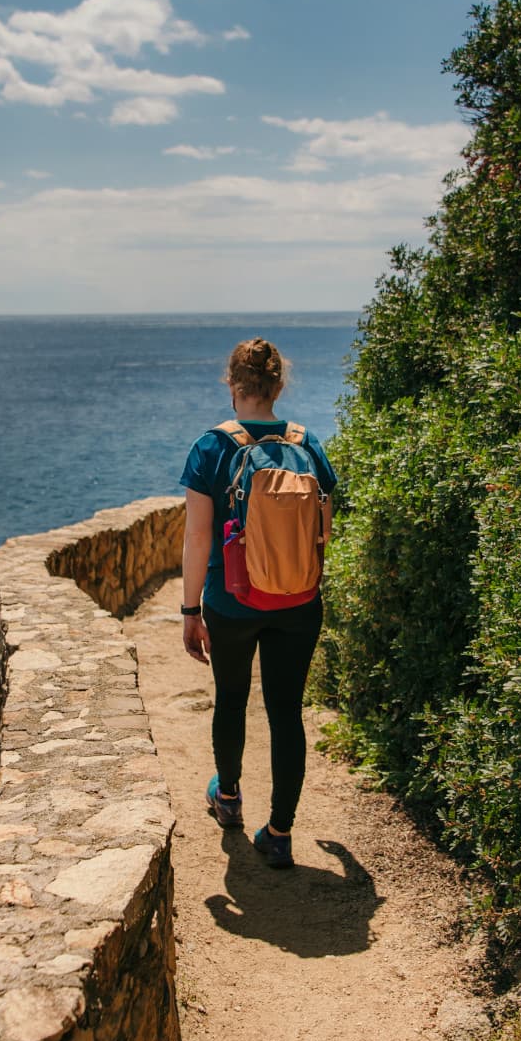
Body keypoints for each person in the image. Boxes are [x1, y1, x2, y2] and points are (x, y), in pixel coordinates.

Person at [178, 338, 337, 869]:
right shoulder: (307, 443)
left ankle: (227, 799)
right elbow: (323, 531)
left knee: (231, 698)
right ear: (278, 386)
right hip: (298, 602)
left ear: (233, 386)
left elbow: (198, 539)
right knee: (286, 713)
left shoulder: (211, 448)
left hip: (233, 602)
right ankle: (281, 831)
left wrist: (190, 610)